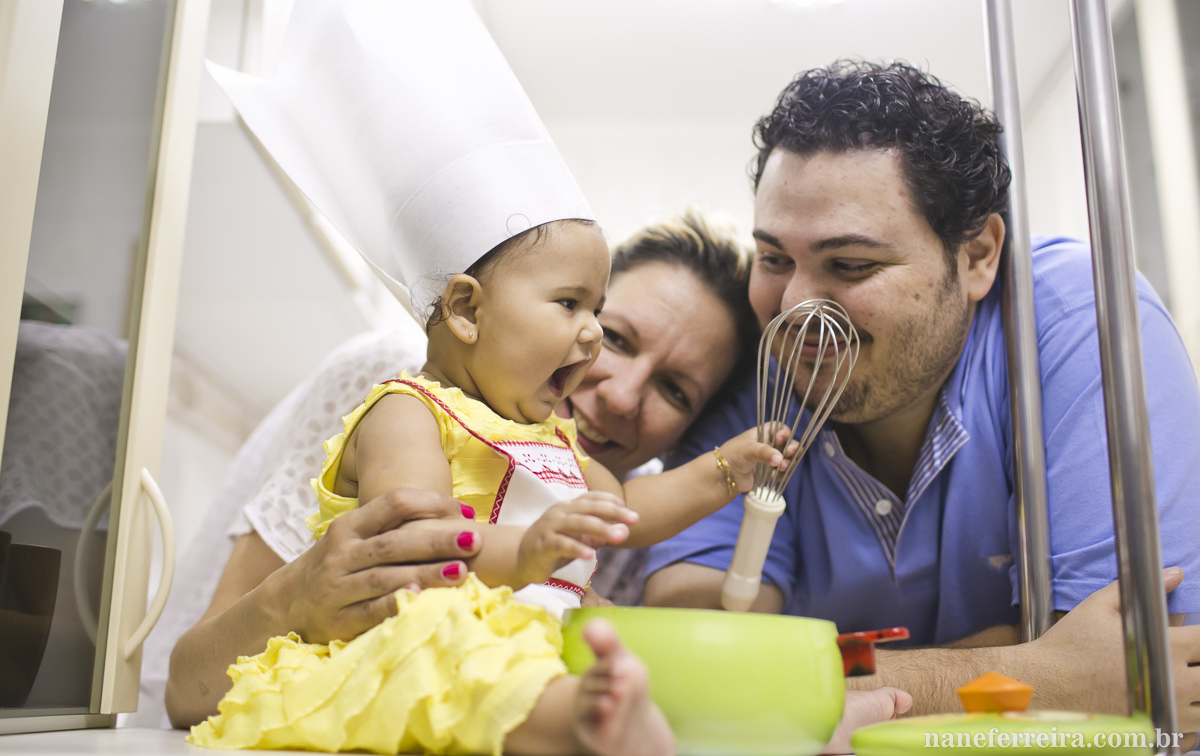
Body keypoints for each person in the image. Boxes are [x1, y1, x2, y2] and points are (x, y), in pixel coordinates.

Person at [641, 60, 1200, 739]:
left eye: (851, 265)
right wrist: (1041, 673)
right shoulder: (752, 376)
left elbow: (1144, 684)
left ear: (977, 256)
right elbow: (691, 675)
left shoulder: (1079, 314)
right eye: (775, 259)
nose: (792, 308)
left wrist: (808, 679)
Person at [186, 212, 817, 755]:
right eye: (576, 308)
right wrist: (529, 549)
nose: (593, 339)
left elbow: (627, 508)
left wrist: (724, 470)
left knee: (591, 654)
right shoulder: (408, 408)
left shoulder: (554, 440)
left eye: (675, 389)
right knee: (449, 656)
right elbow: (420, 543)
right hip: (428, 616)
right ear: (465, 310)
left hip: (524, 631)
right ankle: (581, 724)